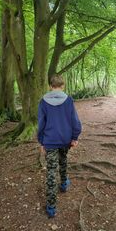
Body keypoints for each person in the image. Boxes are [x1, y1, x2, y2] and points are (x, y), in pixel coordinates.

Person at [37, 75, 82, 218]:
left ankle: (51, 207)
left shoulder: (43, 102)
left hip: (50, 141)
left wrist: (42, 141)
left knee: (51, 171)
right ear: (62, 86)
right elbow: (75, 121)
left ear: (51, 86)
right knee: (63, 160)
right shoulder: (68, 100)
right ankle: (63, 184)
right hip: (65, 140)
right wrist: (74, 137)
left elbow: (41, 124)